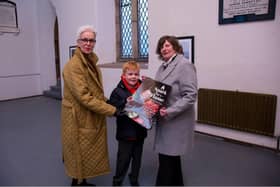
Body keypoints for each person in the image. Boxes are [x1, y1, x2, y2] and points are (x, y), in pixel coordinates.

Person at [61, 25, 122, 186]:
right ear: (78, 42)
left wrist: (107, 101)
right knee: (77, 150)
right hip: (78, 116)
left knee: (83, 150)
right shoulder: (74, 66)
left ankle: (82, 181)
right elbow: (84, 97)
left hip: (87, 114)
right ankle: (77, 183)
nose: (88, 43)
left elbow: (95, 90)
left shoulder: (90, 61)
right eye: (85, 40)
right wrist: (112, 110)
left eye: (91, 40)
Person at [153, 35, 198, 186]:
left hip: (176, 120)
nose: (164, 48)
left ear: (176, 47)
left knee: (167, 159)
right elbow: (157, 91)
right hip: (164, 119)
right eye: (162, 46)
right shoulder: (162, 67)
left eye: (167, 45)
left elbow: (191, 95)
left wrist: (170, 111)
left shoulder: (184, 64)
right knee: (171, 158)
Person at [108, 61, 147, 186]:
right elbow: (111, 107)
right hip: (125, 132)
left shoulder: (143, 88)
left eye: (136, 74)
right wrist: (125, 102)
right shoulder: (117, 91)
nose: (133, 77)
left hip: (140, 131)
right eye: (130, 74)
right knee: (123, 160)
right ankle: (117, 181)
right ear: (124, 75)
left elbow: (150, 104)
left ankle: (134, 178)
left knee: (137, 159)